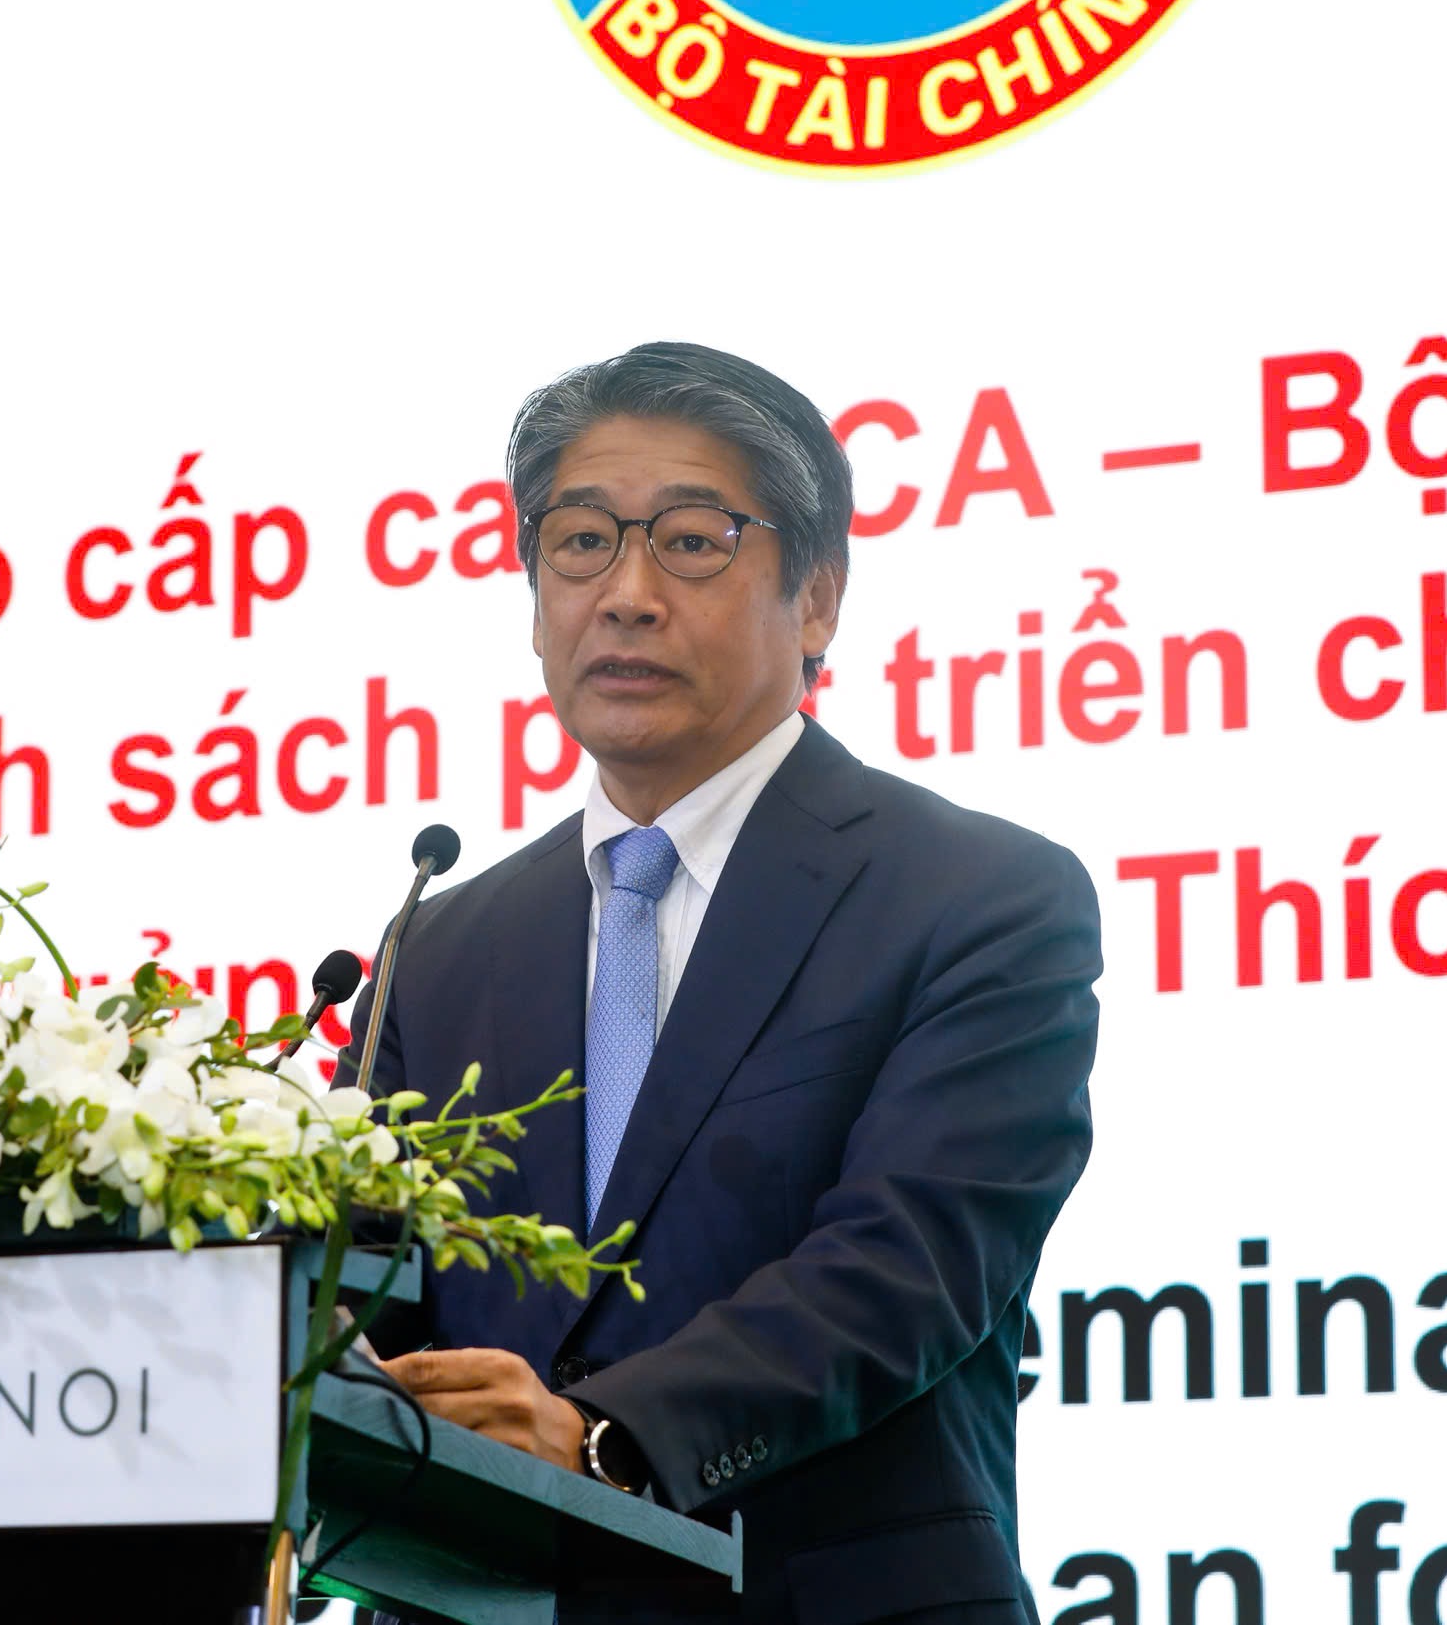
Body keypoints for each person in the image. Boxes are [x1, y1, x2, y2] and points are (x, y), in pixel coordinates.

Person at [345, 342, 1103, 1625]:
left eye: (692, 542)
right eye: (581, 542)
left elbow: (907, 1263)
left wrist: (605, 1435)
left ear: (816, 600)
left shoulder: (977, 894)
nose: (626, 595)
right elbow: (372, 1295)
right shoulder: (440, 944)